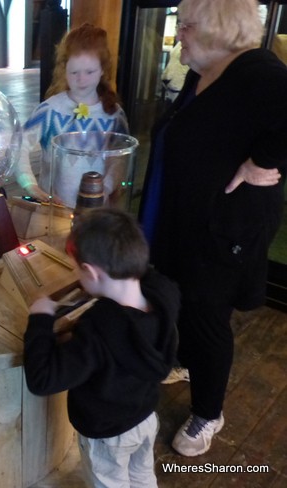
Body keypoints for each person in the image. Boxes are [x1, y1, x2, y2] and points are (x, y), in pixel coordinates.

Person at [139, 0, 287, 457]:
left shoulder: (256, 71)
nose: (178, 33)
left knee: (206, 317)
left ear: (219, 28)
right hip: (184, 219)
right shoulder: (203, 72)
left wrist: (261, 161)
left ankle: (209, 411)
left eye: (186, 24)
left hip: (222, 230)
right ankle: (185, 363)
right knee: (179, 297)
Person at [23, 207, 180, 488]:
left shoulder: (98, 330)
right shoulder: (164, 293)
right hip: (144, 417)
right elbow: (147, 277)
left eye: (77, 268)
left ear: (92, 272)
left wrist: (40, 319)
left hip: (109, 434)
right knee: (142, 475)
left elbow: (43, 379)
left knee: (110, 483)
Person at [17, 23, 129, 208]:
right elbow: (18, 145)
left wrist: (106, 189)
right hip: (54, 211)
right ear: (64, 69)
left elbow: (119, 159)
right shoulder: (49, 110)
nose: (81, 79)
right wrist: (30, 185)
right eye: (74, 72)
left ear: (102, 70)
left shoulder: (114, 115)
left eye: (89, 72)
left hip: (96, 214)